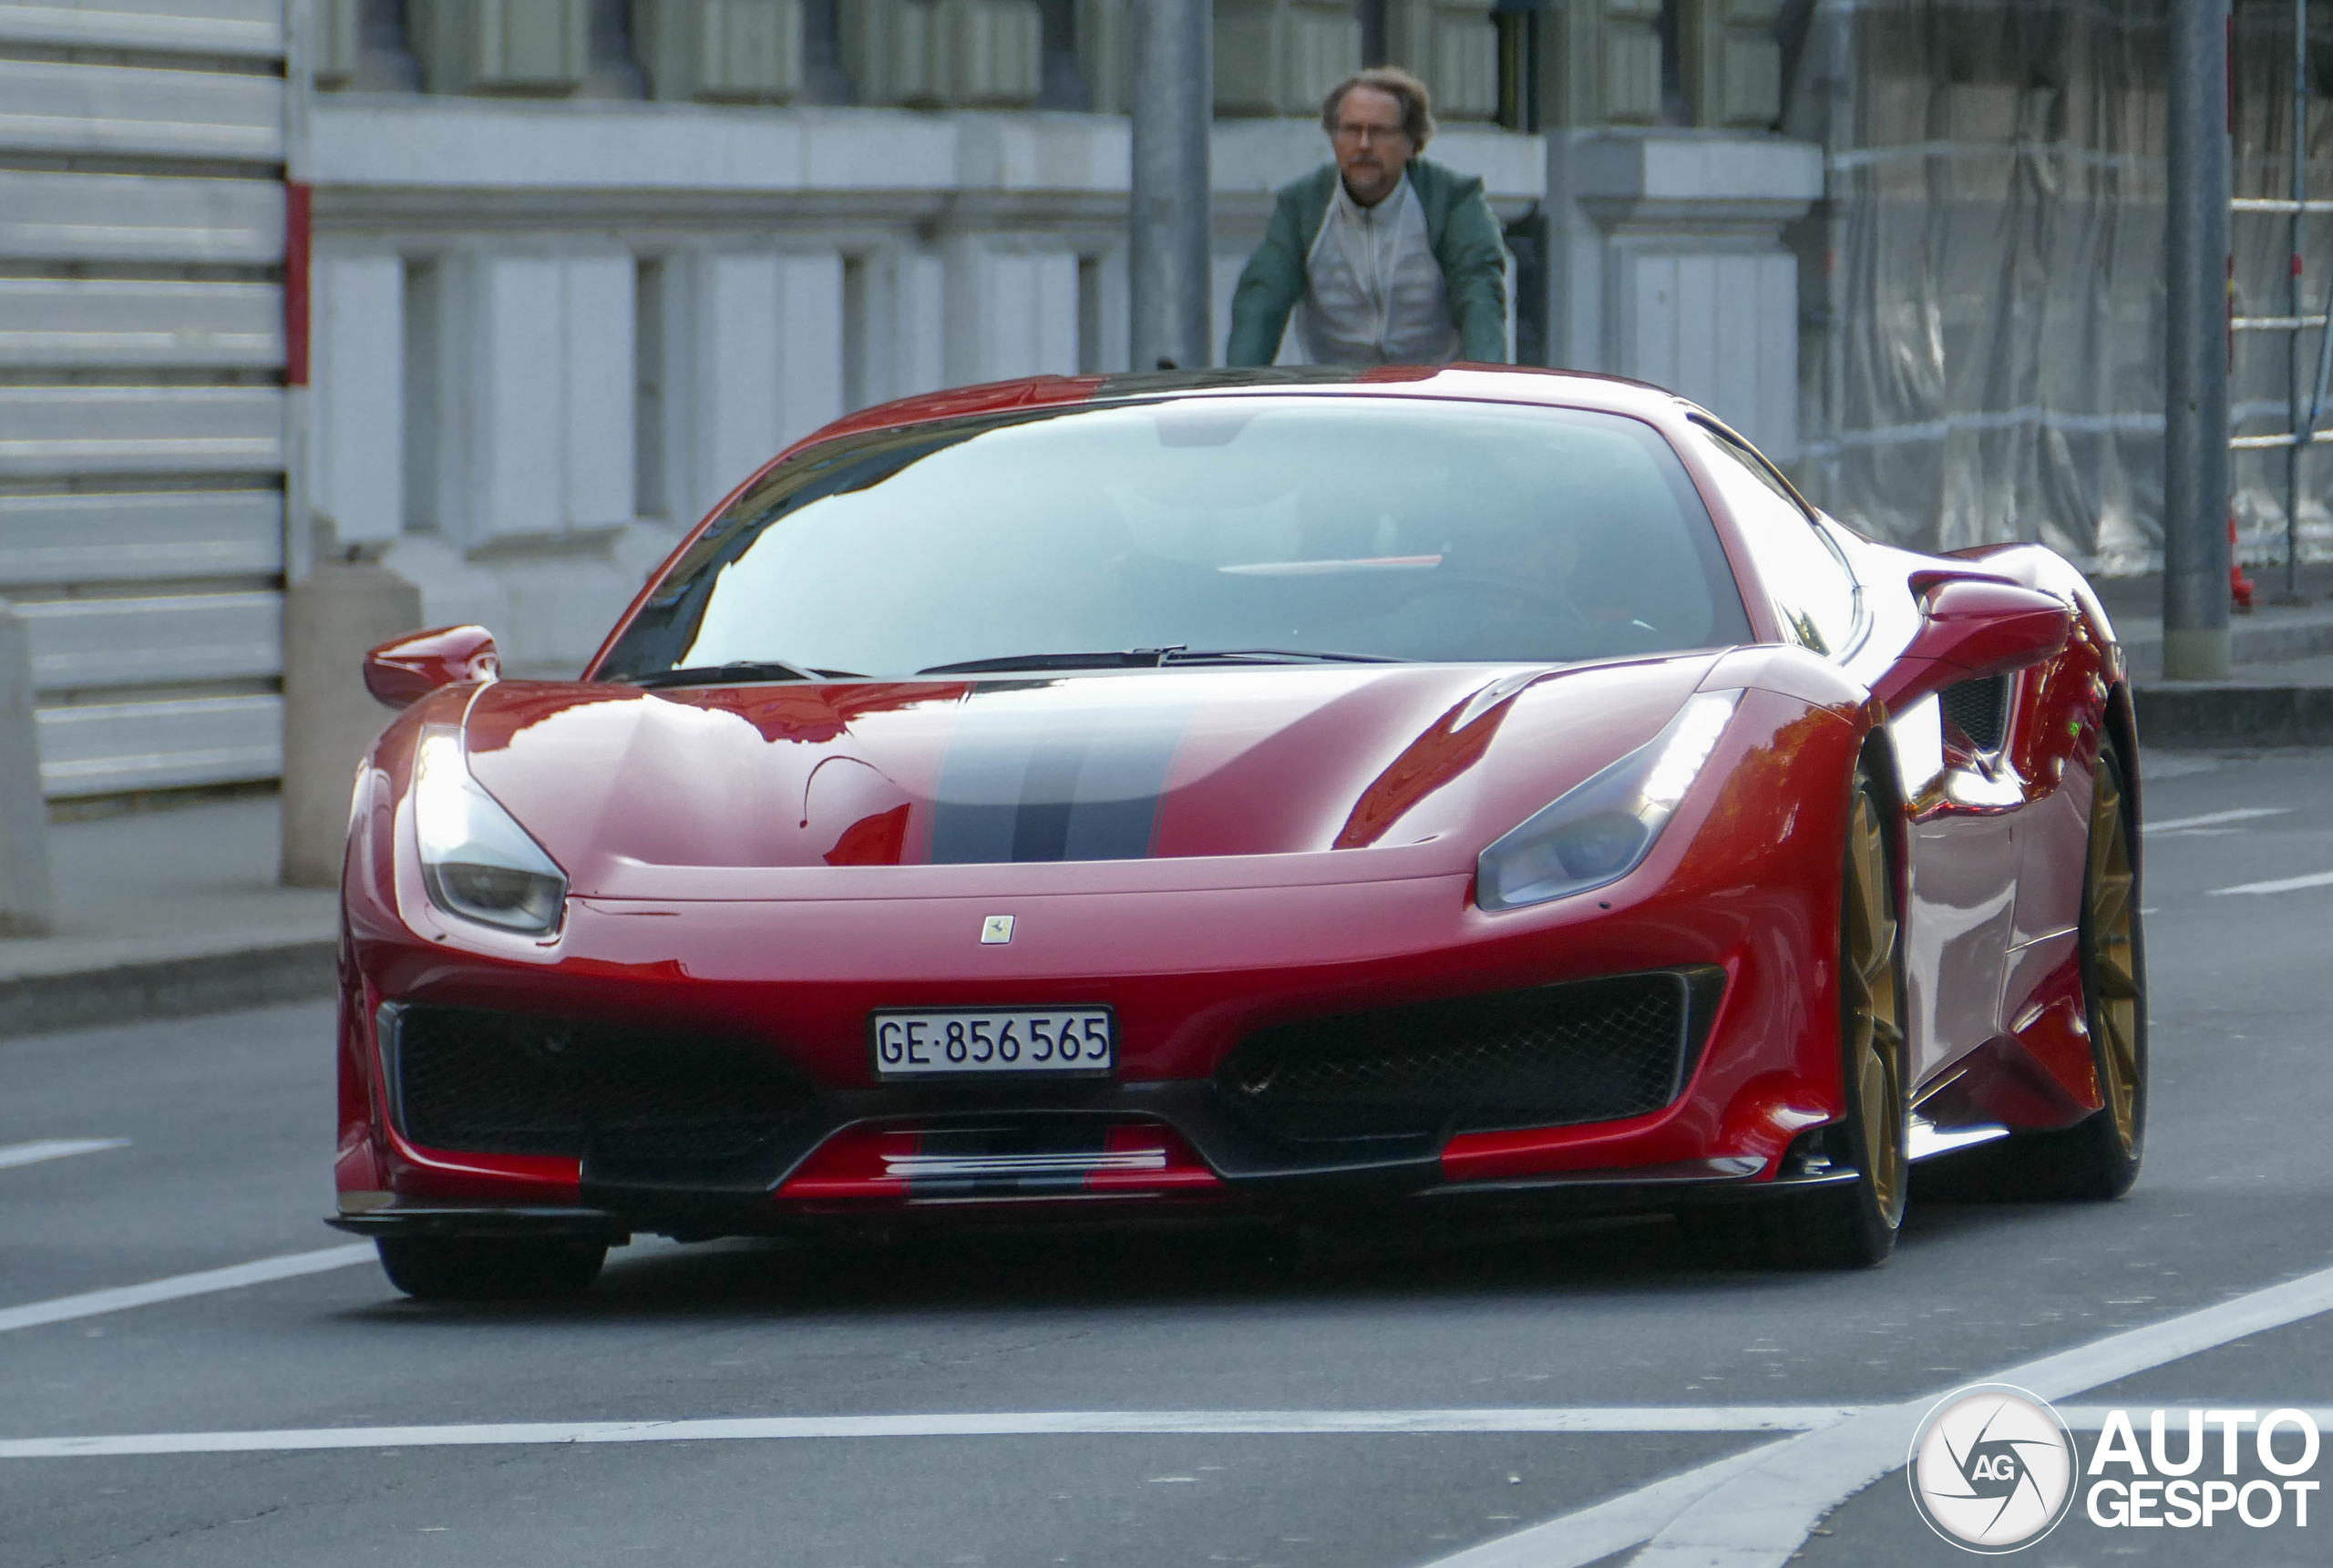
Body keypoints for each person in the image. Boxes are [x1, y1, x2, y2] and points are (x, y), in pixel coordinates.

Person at [1226, 67, 1508, 368]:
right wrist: (1237, 389)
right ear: (1333, 138)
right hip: (1339, 393)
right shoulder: (1303, 205)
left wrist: (1485, 379)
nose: (1363, 145)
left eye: (1380, 132)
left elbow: (1480, 296)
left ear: (1412, 144)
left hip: (1432, 392)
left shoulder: (1452, 199)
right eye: (1350, 130)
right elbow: (1263, 300)